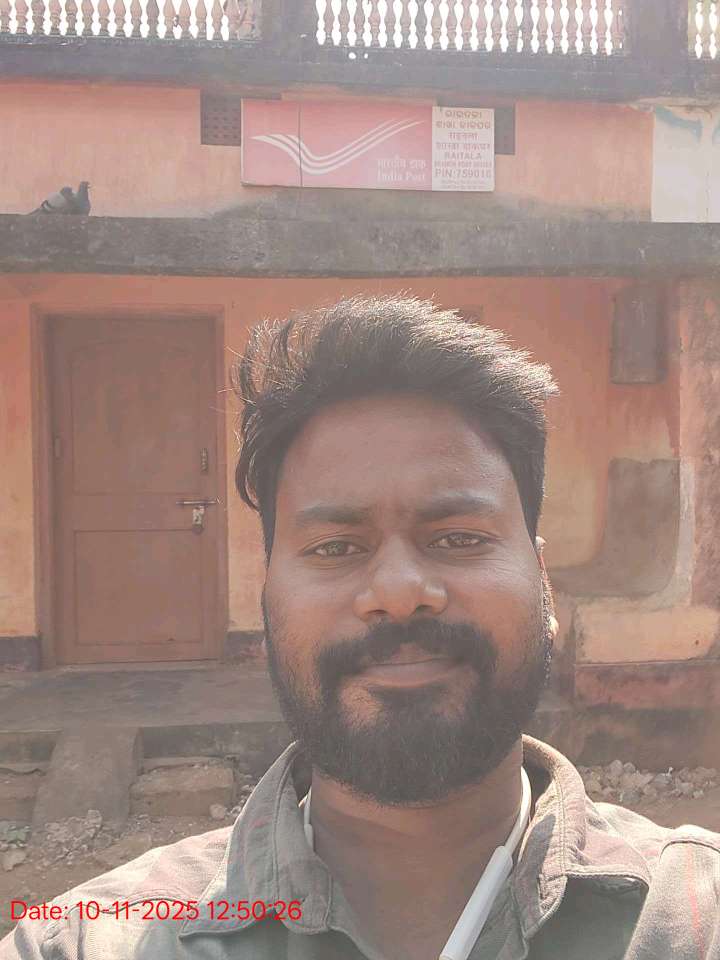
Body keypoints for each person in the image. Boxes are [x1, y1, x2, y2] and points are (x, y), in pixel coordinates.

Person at [3, 295, 719, 960]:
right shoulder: (84, 942)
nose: (399, 594)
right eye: (336, 548)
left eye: (459, 538)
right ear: (267, 600)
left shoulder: (692, 917)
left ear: (544, 583)